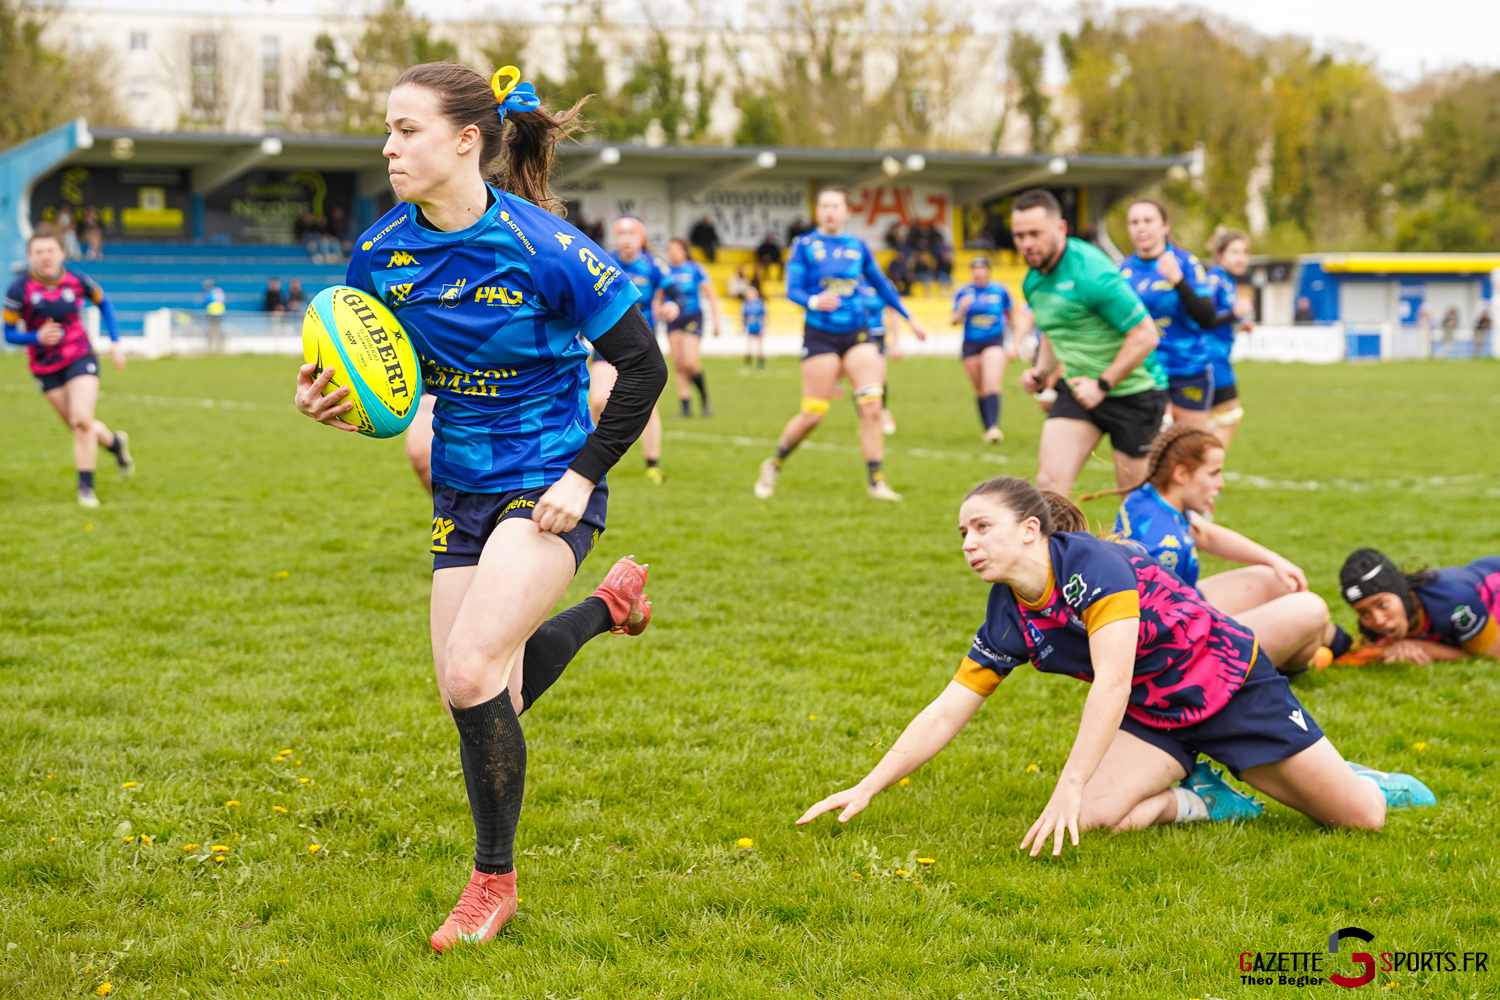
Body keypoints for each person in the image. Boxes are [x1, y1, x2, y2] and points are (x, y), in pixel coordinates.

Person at [293, 62, 668, 952]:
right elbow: (374, 371)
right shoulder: (380, 253)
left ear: (466, 140)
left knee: (471, 676)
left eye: (407, 130)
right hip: (460, 484)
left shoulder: (547, 246)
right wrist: (328, 402)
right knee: (478, 690)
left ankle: (491, 883)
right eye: (386, 131)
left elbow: (643, 367)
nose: (388, 147)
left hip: (546, 479)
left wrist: (582, 477)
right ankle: (608, 610)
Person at [797, 477, 1436, 852]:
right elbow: (947, 709)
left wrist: (1068, 782)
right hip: (1155, 717)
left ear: (1028, 530)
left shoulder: (1092, 567)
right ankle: (1204, 801)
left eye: (981, 528)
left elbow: (1113, 680)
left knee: (1359, 820)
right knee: (1098, 821)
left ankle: (1354, 776)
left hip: (1229, 686)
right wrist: (867, 784)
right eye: (961, 533)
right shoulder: (1007, 611)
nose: (968, 544)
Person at [1090, 425, 1353, 674]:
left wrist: (1275, 560)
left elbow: (1204, 532)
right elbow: (1156, 629)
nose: (1221, 483)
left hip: (1184, 612)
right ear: (1181, 474)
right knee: (1311, 609)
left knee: (1279, 581)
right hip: (1181, 653)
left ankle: (1311, 651)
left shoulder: (1147, 497)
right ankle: (1302, 656)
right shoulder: (1165, 547)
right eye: (1214, 472)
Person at [753, 185, 928, 502]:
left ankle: (876, 482)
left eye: (835, 206)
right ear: (817, 211)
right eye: (823, 206)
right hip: (820, 336)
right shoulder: (804, 245)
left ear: (848, 212)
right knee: (814, 414)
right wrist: (815, 300)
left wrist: (910, 317)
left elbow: (883, 285)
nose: (829, 211)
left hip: (857, 334)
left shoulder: (857, 246)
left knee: (872, 407)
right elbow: (792, 290)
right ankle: (775, 462)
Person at [1012, 189, 1167, 497]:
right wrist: (1041, 371)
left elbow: (1146, 335)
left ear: (1061, 229)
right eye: (1019, 235)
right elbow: (1054, 330)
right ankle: (1067, 547)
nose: (1026, 244)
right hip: (1079, 389)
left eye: (1034, 234)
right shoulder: (1033, 280)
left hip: (1134, 392)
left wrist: (1102, 385)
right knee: (1049, 487)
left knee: (1136, 502)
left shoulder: (1092, 273)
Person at [4, 232, 134, 506]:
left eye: (50, 250)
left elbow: (104, 302)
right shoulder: (19, 290)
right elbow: (8, 333)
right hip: (44, 366)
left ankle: (86, 489)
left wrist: (115, 342)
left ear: (62, 253)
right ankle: (116, 445)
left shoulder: (77, 280)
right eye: (38, 251)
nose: (45, 256)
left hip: (80, 355)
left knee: (82, 421)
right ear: (31, 257)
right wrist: (35, 337)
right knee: (78, 426)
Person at [1120, 199, 1216, 429]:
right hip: (1143, 373)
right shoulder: (1120, 271)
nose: (1141, 227)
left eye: (1148, 220)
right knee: (1148, 453)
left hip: (1187, 370)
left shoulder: (1185, 263)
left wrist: (1178, 280)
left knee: (1188, 452)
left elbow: (1207, 318)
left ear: (1165, 226)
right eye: (1134, 222)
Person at [596, 214, 667, 482]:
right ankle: (596, 458)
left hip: (641, 345)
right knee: (598, 400)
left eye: (632, 234)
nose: (626, 240)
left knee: (647, 404)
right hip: (606, 340)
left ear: (641, 238)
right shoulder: (603, 260)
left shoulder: (653, 265)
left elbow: (679, 293)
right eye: (621, 234)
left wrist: (672, 304)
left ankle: (652, 464)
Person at [1339, 549, 1500, 664]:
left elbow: (1488, 657)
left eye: (1383, 604)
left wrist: (1425, 648)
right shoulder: (1373, 629)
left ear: (1403, 592)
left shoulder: (1453, 601)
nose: (1378, 620)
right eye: (1364, 613)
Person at [950, 255, 1024, 444]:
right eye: (975, 269)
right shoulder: (963, 292)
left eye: (982, 268)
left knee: (992, 383)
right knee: (980, 389)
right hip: (971, 344)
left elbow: (1013, 318)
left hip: (994, 341)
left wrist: (1016, 344)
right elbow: (953, 321)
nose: (979, 272)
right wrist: (961, 310)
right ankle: (987, 428)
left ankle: (993, 428)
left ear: (988, 271)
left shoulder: (1000, 291)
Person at [660, 237, 719, 417]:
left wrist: (716, 321)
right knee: (678, 364)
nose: (673, 253)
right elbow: (659, 294)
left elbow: (712, 295)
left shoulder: (695, 268)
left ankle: (705, 398)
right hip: (673, 319)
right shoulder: (665, 271)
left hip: (693, 316)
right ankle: (685, 408)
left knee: (690, 363)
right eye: (670, 250)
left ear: (684, 251)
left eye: (676, 249)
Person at [1204, 229, 1253, 448]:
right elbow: (1203, 317)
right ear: (1220, 255)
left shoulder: (1226, 280)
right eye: (1234, 251)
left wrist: (1237, 324)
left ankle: (1202, 467)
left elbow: (1217, 319)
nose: (1241, 257)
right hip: (1212, 358)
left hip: (1217, 355)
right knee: (1228, 415)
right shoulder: (1215, 279)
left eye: (1244, 252)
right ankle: (1207, 467)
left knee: (1212, 418)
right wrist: (1234, 313)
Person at [741, 281, 766, 371]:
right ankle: (748, 366)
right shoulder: (745, 304)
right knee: (749, 347)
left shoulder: (759, 303)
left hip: (758, 325)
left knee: (760, 347)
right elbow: (743, 316)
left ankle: (761, 367)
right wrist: (743, 326)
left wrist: (764, 327)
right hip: (750, 326)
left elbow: (763, 316)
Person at [201, 279, 227, 353]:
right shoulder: (219, 291)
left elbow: (206, 301)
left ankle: (211, 348)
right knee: (219, 331)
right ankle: (221, 347)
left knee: (211, 331)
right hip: (220, 313)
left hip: (212, 314)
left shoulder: (209, 293)